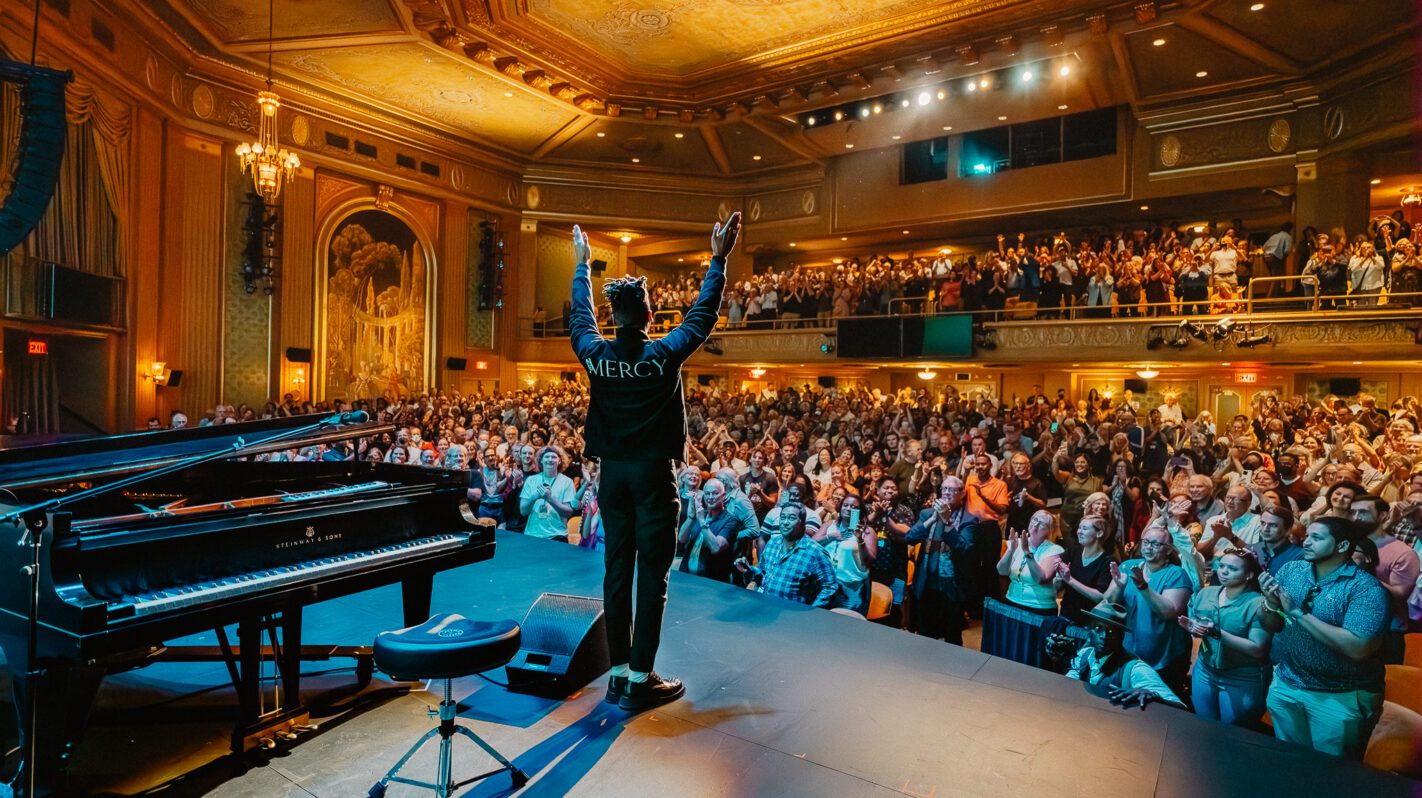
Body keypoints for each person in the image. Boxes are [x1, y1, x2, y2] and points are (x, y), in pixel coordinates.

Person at [569, 212, 741, 712]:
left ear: (614, 317)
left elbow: (580, 317)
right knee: (653, 577)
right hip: (651, 476)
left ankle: (619, 673)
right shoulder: (663, 354)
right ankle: (639, 677)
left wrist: (582, 268)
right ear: (647, 317)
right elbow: (702, 316)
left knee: (616, 570)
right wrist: (718, 260)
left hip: (612, 476)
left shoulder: (594, 353)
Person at [1258, 516, 1388, 759]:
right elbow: (1270, 624)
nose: (1306, 542)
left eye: (1316, 538)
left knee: (1333, 775)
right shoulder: (1291, 570)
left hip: (1338, 696)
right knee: (1290, 761)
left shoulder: (1364, 588)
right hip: (1288, 683)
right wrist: (1269, 603)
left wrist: (1297, 613)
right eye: (1307, 536)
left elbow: (1358, 647)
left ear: (1341, 546)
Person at [1182, 550, 1273, 728]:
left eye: (1232, 568)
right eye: (1221, 566)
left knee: (1235, 730)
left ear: (1249, 575)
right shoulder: (1207, 593)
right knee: (1205, 725)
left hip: (1241, 675)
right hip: (1205, 670)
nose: (1223, 571)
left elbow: (1258, 648)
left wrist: (1216, 633)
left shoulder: (1257, 603)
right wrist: (1194, 629)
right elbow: (1199, 631)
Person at [1105, 526, 1194, 694]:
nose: (1148, 547)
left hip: (1165, 658)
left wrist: (1143, 586)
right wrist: (1118, 587)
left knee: (1159, 709)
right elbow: (1108, 604)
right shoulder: (1127, 567)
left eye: (1155, 544)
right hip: (1128, 653)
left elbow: (1169, 612)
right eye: (1146, 542)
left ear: (1168, 550)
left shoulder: (1177, 574)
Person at [1065, 600, 1185, 710]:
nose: (1104, 636)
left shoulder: (1135, 669)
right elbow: (1070, 684)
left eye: (1112, 632)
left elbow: (1180, 708)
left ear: (1121, 636)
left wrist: (1155, 697)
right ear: (1089, 630)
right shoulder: (1084, 654)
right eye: (1098, 628)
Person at [906, 477, 976, 643]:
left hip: (952, 586)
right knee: (925, 633)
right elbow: (910, 538)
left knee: (952, 635)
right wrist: (932, 520)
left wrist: (946, 522)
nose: (946, 493)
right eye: (944, 489)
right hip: (927, 582)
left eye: (952, 490)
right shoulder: (927, 513)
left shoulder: (969, 520)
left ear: (962, 494)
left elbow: (964, 547)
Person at [1352, 494, 1419, 664]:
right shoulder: (1347, 544)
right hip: (1351, 625)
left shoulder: (1402, 553)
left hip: (1387, 632)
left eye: (1363, 512)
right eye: (1353, 512)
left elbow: (1399, 594)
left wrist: (1364, 572)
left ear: (1382, 515)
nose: (1356, 517)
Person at [735, 504, 837, 608]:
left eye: (791, 518)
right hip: (765, 607)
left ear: (802, 522)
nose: (785, 522)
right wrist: (749, 569)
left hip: (791, 615)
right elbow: (763, 574)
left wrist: (812, 612)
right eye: (782, 517)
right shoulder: (772, 543)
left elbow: (830, 587)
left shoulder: (815, 552)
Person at [676, 477, 744, 583]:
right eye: (707, 494)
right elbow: (682, 539)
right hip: (687, 577)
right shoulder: (701, 514)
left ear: (723, 496)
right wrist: (691, 518)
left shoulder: (731, 520)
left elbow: (716, 548)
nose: (711, 497)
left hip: (711, 582)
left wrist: (702, 522)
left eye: (715, 493)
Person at [998, 510, 1065, 616]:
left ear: (1049, 530)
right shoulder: (1017, 542)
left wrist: (1027, 552)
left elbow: (1040, 578)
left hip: (1038, 608)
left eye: (1042, 523)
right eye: (1035, 519)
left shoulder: (1054, 550)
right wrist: (1011, 550)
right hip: (1012, 601)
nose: (1036, 524)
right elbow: (1002, 571)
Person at [1055, 515, 1115, 625]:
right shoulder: (1073, 552)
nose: (1079, 532)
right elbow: (1057, 585)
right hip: (1065, 617)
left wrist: (1070, 580)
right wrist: (1058, 578)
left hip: (1089, 624)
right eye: (1079, 528)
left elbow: (1100, 597)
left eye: (1085, 528)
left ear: (1099, 533)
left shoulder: (1107, 562)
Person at [518, 447, 576, 541]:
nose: (550, 459)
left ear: (559, 461)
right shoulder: (530, 480)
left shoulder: (567, 482)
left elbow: (568, 513)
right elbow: (523, 511)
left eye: (554, 457)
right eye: (547, 457)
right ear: (541, 460)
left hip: (557, 535)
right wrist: (535, 497)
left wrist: (549, 498)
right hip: (532, 534)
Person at [1251, 504, 1305, 575]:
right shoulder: (1252, 550)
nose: (1265, 529)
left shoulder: (1299, 556)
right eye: (1263, 523)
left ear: (1288, 530)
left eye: (1273, 525)